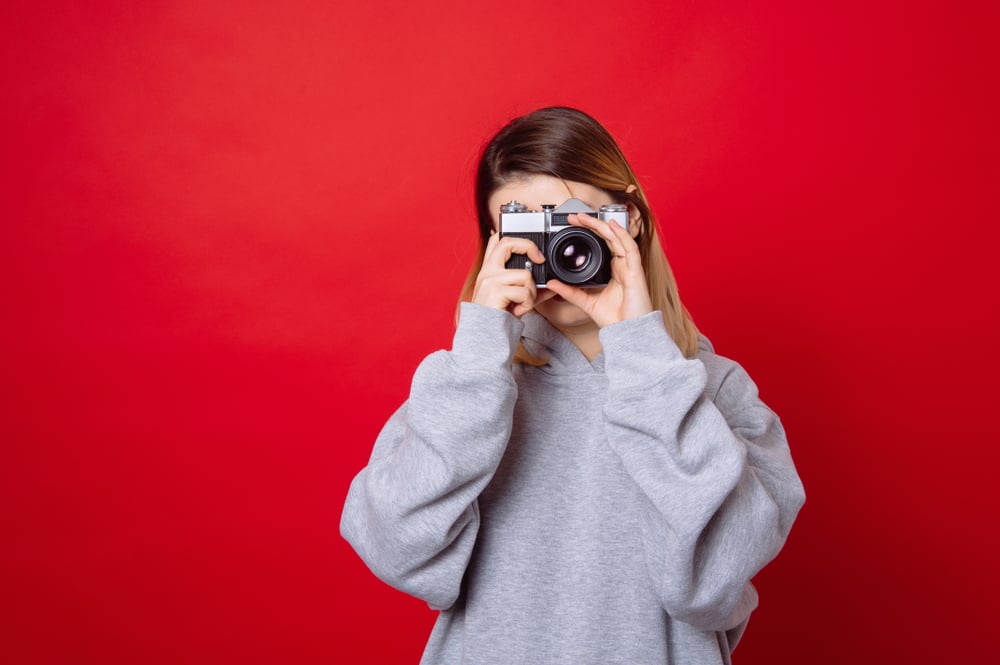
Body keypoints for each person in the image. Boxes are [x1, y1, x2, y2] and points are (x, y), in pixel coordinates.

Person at [340, 106, 805, 664]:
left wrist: (641, 352)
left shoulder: (717, 392)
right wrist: (481, 350)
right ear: (497, 244)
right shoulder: (468, 387)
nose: (555, 255)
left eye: (569, 222)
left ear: (627, 218)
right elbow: (396, 549)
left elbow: (710, 584)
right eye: (526, 230)